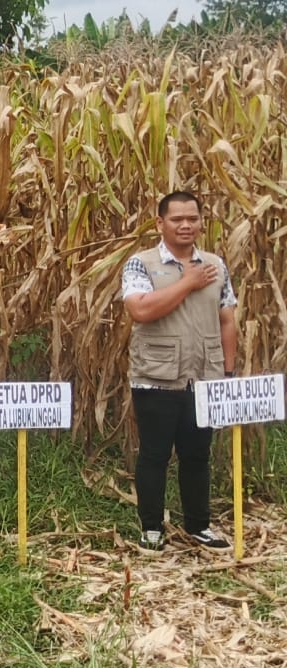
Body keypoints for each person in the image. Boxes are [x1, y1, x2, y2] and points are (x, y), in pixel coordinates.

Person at [121, 190, 238, 552]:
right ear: (160, 223)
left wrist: (228, 374)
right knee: (155, 454)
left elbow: (227, 319)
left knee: (197, 454)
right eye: (177, 219)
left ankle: (198, 527)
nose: (186, 225)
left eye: (193, 218)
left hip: (204, 377)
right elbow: (139, 310)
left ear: (202, 222)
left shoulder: (216, 266)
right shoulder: (141, 264)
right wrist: (187, 282)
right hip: (156, 377)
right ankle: (152, 529)